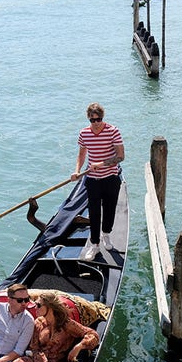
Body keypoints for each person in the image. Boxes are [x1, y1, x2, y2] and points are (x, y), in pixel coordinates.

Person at [70, 102, 124, 260]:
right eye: (92, 120)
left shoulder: (113, 131)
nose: (96, 123)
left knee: (109, 209)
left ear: (103, 118)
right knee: (94, 213)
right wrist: (77, 171)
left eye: (98, 119)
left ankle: (106, 234)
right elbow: (81, 155)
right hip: (92, 179)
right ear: (88, 119)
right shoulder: (84, 133)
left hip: (111, 178)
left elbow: (121, 157)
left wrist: (100, 164)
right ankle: (94, 245)